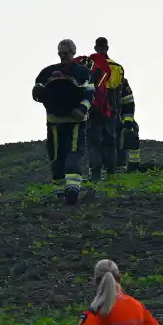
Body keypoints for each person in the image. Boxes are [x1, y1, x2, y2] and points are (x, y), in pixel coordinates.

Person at [32, 39, 96, 205]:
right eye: (60, 53)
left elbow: (90, 94)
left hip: (75, 123)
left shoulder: (83, 73)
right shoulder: (47, 72)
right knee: (55, 156)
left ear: (73, 52)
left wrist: (82, 109)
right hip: (54, 123)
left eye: (66, 53)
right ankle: (60, 193)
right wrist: (38, 91)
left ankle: (73, 190)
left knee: (73, 154)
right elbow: (38, 91)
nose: (63, 56)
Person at [83, 36, 128, 179]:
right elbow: (119, 90)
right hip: (110, 109)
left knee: (94, 141)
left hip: (94, 108)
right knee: (110, 141)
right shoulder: (117, 68)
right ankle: (110, 172)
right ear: (107, 48)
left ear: (95, 48)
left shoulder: (89, 65)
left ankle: (95, 172)